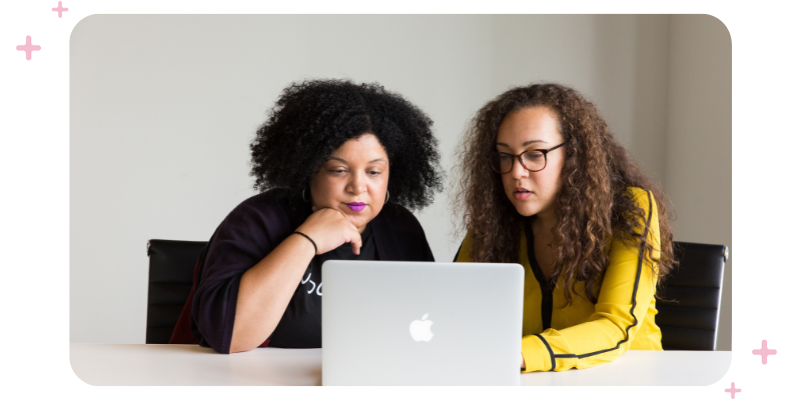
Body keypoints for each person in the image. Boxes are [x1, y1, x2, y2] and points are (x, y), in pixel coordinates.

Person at [170, 79, 443, 353]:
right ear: (309, 169)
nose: (358, 187)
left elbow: (431, 324)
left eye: (373, 172)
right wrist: (307, 239)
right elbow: (229, 337)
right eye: (338, 170)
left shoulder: (400, 227)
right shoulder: (258, 219)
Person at [452, 83, 676, 372]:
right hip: (530, 384)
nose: (516, 172)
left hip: (625, 381)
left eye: (534, 154)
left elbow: (615, 327)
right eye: (505, 156)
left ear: (574, 156)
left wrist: (515, 354)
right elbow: (454, 308)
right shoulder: (494, 219)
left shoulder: (630, 208)